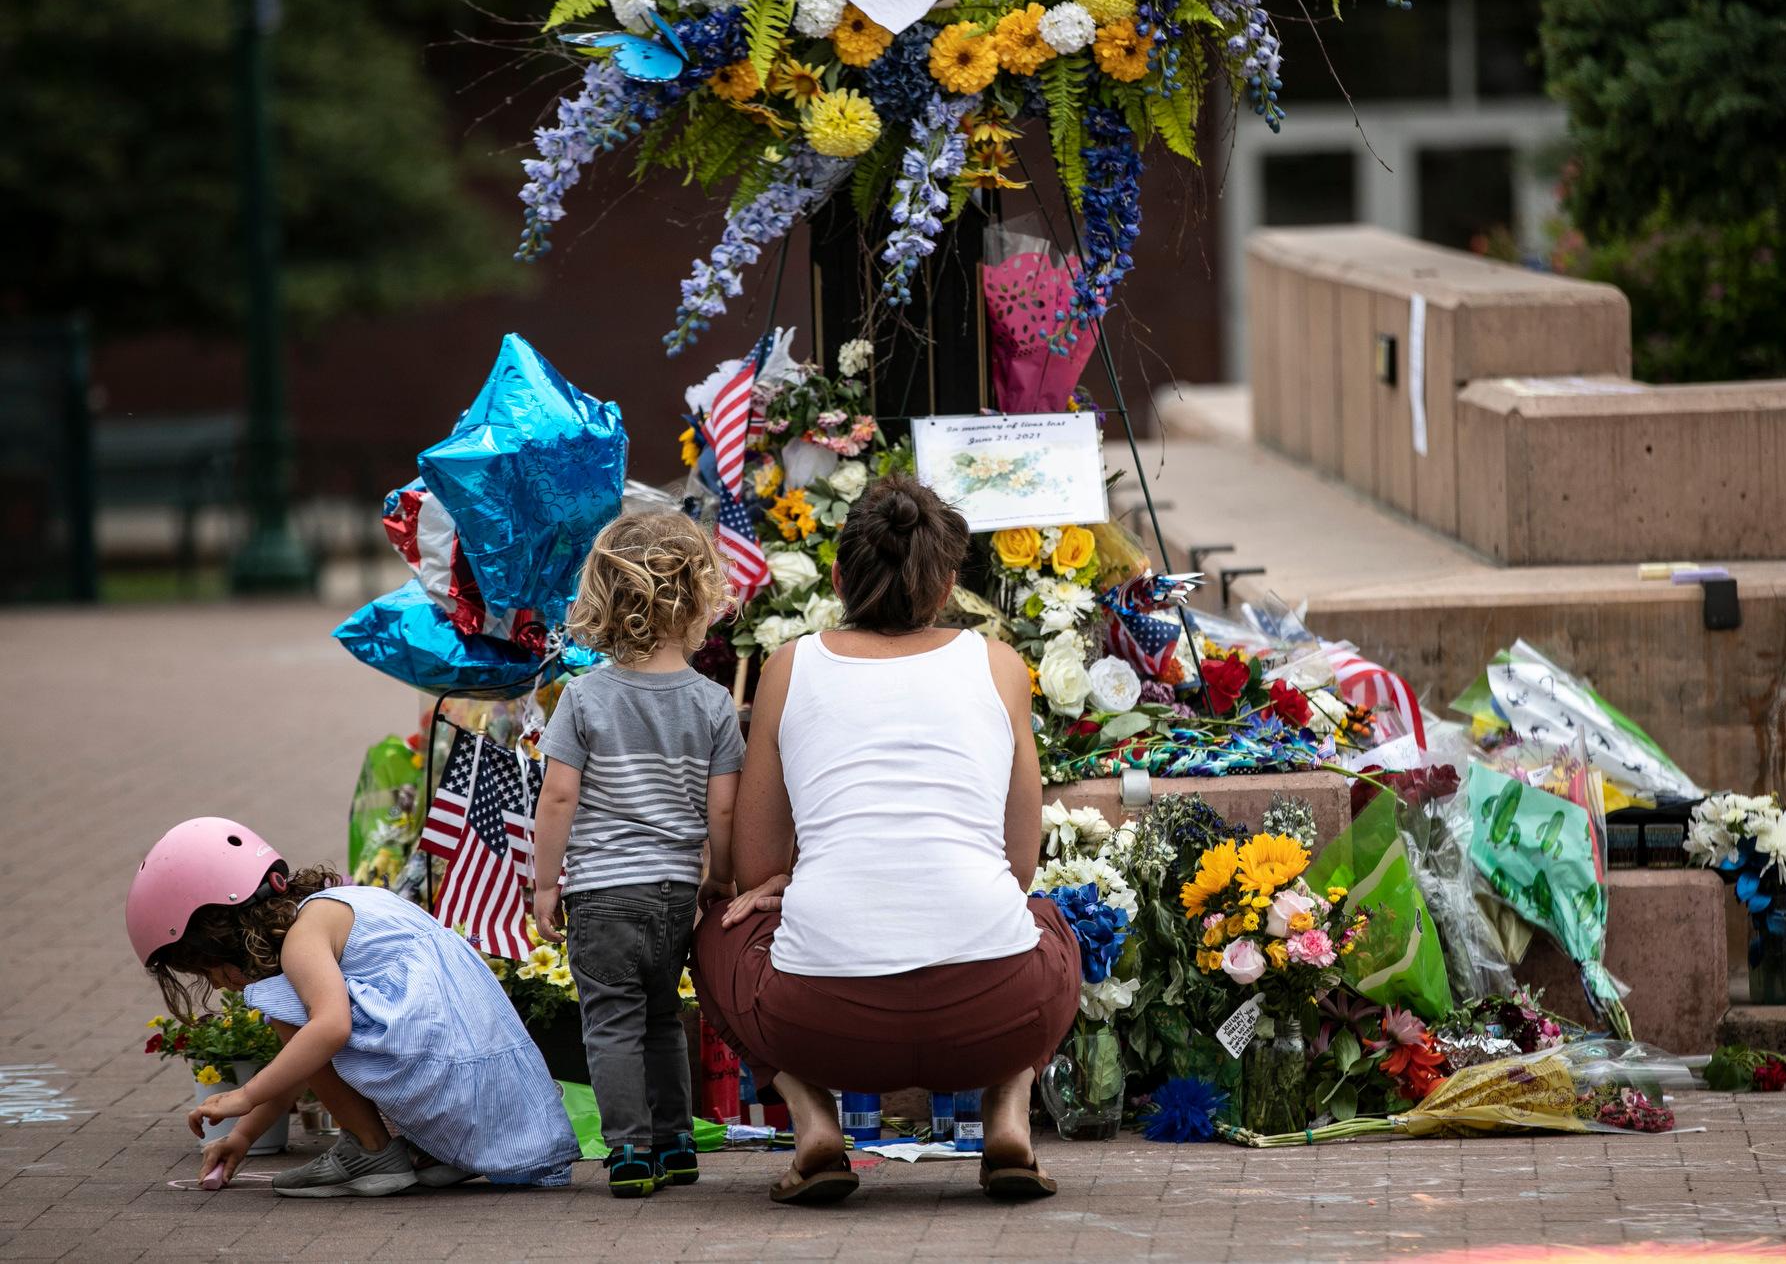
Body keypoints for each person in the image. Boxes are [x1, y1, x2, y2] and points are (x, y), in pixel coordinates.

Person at [693, 476, 1082, 1207]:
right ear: (945, 587)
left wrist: (796, 882)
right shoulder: (999, 666)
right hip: (998, 1014)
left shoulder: (789, 668)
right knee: (1052, 925)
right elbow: (1019, 866)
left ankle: (813, 1122)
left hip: (820, 1021)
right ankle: (1008, 1110)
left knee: (719, 927)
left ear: (838, 578)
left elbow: (755, 869)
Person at [127, 816, 579, 1197]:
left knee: (289, 1009)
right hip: (491, 1095)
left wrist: (245, 1095)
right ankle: (438, 1150)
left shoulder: (302, 940)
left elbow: (330, 1031)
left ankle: (370, 1151)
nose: (219, 982)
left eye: (207, 968)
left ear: (219, 931)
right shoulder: (342, 904)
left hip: (451, 1084)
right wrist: (244, 1134)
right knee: (306, 1024)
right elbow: (306, 1060)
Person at [529, 510, 743, 1198]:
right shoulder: (712, 704)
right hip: (675, 891)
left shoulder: (586, 698)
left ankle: (628, 1151)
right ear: (698, 599)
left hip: (603, 893)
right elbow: (724, 809)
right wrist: (722, 878)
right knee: (661, 1017)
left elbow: (559, 796)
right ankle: (677, 1141)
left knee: (611, 1023)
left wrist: (543, 884)